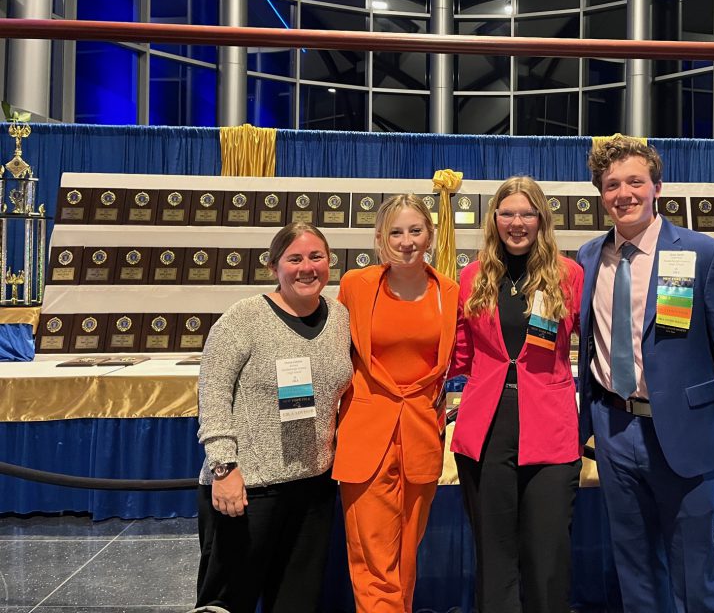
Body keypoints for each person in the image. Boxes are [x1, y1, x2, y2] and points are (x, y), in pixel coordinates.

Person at [576, 136, 714, 613]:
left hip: (685, 432)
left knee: (692, 568)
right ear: (600, 194)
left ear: (657, 186)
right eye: (612, 184)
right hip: (614, 429)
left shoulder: (703, 253)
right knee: (634, 567)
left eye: (635, 181)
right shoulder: (586, 258)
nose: (625, 193)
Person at [195, 222, 353, 613]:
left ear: (329, 262)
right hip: (249, 486)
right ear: (273, 267)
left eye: (316, 257)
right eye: (294, 258)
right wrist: (224, 467)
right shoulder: (243, 318)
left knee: (296, 600)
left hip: (314, 485)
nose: (306, 267)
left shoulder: (340, 317)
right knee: (228, 600)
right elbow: (212, 392)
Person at [451, 176, 584, 613]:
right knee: (495, 553)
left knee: (548, 555)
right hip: (487, 424)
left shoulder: (569, 276)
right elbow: (461, 352)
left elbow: (601, 340)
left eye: (526, 213)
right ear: (494, 220)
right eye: (507, 213)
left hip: (550, 424)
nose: (517, 222)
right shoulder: (472, 278)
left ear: (542, 219)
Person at [333, 193, 460, 613]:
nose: (406, 241)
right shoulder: (356, 285)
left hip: (421, 433)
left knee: (406, 554)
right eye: (396, 232)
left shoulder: (450, 292)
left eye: (415, 230)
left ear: (430, 235)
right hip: (367, 435)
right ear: (380, 238)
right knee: (372, 558)